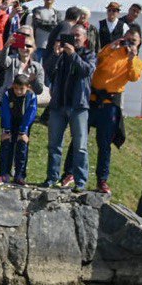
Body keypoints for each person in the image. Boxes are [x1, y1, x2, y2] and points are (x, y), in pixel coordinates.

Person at [89, 30, 142, 194]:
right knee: (79, 138)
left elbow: (133, 77)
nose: (130, 43)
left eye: (133, 41)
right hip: (92, 99)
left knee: (104, 144)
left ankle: (102, 180)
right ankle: (69, 173)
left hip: (110, 104)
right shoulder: (111, 50)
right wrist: (112, 47)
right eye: (128, 39)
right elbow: (98, 61)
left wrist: (132, 58)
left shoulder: (137, 61)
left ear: (139, 43)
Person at [43, 25, 96, 191]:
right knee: (54, 144)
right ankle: (52, 178)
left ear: (85, 38)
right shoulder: (61, 55)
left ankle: (80, 182)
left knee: (80, 146)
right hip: (59, 104)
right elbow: (48, 71)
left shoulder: (89, 54)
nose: (74, 38)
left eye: (77, 35)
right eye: (71, 35)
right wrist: (55, 55)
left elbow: (86, 71)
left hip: (78, 106)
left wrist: (72, 54)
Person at [0, 75, 38, 186]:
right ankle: (4, 173)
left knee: (22, 148)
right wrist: (6, 130)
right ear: (13, 86)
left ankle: (19, 175)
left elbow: (30, 113)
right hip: (9, 123)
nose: (18, 91)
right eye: (16, 88)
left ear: (27, 87)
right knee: (5, 146)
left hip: (24, 125)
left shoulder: (32, 96)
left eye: (21, 89)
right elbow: (5, 112)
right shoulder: (7, 94)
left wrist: (23, 132)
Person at [29, 0, 60, 64]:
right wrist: (53, 24)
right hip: (37, 45)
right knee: (35, 67)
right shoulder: (37, 10)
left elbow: (58, 26)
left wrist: (49, 25)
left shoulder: (57, 13)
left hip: (51, 46)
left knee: (47, 70)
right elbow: (38, 23)